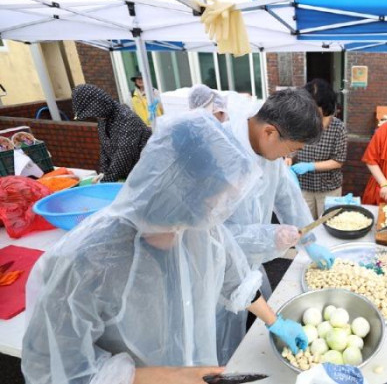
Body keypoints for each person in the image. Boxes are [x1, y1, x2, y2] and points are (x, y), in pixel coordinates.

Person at [21, 111, 308, 384]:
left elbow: (234, 280)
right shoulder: (86, 259)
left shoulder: (200, 231)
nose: (221, 211)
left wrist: (275, 322)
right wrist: (178, 377)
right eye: (218, 200)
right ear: (182, 191)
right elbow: (56, 370)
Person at [219, 89, 336, 360]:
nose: (292, 155)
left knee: (249, 338)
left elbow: (287, 196)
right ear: (270, 132)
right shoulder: (221, 155)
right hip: (212, 276)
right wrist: (270, 237)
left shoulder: (266, 149)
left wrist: (309, 241)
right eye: (293, 149)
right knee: (219, 350)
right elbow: (214, 240)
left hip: (247, 268)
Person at [291, 79, 348, 219]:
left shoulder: (338, 128)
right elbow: (291, 146)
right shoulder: (301, 123)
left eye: (314, 106)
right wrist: (288, 157)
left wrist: (311, 166)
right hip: (303, 185)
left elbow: (338, 161)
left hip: (328, 188)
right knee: (305, 224)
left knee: (328, 223)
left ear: (325, 105)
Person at [72, 84, 152, 182]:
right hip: (126, 175)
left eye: (94, 113)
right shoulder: (103, 118)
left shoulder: (128, 119)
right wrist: (104, 171)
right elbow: (104, 147)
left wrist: (106, 180)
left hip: (145, 173)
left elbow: (124, 156)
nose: (96, 117)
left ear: (101, 104)